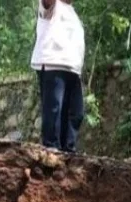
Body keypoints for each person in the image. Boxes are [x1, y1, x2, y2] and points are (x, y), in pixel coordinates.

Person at [31, 0, 86, 152]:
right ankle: (52, 149)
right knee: (54, 110)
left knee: (76, 112)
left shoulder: (72, 12)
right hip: (52, 64)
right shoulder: (52, 6)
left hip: (72, 68)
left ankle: (68, 151)